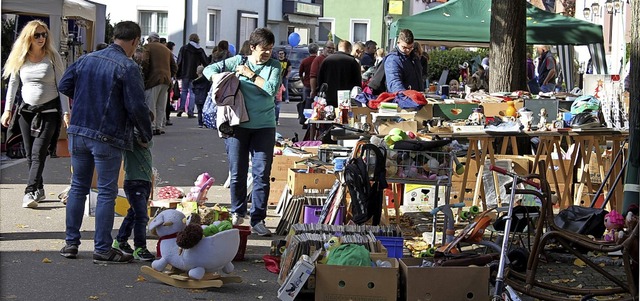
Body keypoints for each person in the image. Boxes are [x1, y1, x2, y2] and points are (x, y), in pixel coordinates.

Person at [57, 21, 153, 264]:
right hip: (107, 135)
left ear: (115, 36)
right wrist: (146, 133)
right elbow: (136, 106)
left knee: (79, 186)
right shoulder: (128, 66)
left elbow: (64, 84)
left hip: (78, 131)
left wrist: (86, 99)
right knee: (107, 191)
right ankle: (101, 248)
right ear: (134, 41)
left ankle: (71, 243)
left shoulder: (87, 59)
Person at [203, 27, 281, 237]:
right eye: (264, 49)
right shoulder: (236, 60)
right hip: (237, 126)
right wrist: (220, 80)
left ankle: (258, 219)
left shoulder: (274, 66)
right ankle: (238, 212)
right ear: (252, 47)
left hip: (264, 126)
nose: (267, 54)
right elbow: (207, 70)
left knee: (261, 173)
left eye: (270, 50)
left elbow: (272, 89)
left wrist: (250, 74)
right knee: (237, 173)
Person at [1, 20, 71, 208]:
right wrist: (7, 110)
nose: (41, 38)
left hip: (49, 112)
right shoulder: (20, 57)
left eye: (44, 34)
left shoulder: (52, 56)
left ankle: (29, 191)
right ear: (29, 37)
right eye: (37, 35)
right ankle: (39, 189)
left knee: (38, 152)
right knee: (30, 155)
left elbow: (62, 86)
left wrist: (66, 112)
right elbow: (13, 86)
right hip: (26, 112)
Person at [112, 113, 155, 261]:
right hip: (134, 183)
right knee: (142, 216)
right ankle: (140, 247)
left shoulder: (147, 141)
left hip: (145, 182)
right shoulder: (130, 140)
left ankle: (120, 241)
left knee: (133, 214)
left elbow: (145, 140)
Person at [142, 32, 177, 135]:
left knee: (151, 104)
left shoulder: (148, 47)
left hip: (153, 79)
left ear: (150, 39)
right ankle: (159, 126)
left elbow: (145, 61)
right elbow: (174, 66)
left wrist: (145, 74)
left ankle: (152, 126)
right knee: (161, 105)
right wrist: (170, 75)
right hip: (166, 80)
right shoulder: (166, 49)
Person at [317, 40, 362, 107]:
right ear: (349, 49)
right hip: (346, 98)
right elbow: (357, 82)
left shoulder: (327, 60)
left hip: (329, 96)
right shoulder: (352, 61)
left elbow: (320, 78)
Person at [176, 33, 208, 118]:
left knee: (184, 91)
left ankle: (181, 109)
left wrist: (177, 73)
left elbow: (179, 61)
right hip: (195, 74)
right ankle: (190, 111)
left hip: (185, 73)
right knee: (192, 92)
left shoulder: (184, 48)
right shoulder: (199, 50)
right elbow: (205, 61)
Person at [384, 29, 424, 93]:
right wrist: (404, 96)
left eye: (410, 47)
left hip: (416, 97)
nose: (408, 50)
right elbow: (394, 82)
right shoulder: (393, 59)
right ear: (398, 42)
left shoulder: (414, 57)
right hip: (402, 99)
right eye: (404, 47)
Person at [298, 43, 318, 124]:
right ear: (317, 51)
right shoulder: (319, 60)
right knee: (316, 104)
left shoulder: (305, 61)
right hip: (316, 85)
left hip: (307, 85)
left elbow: (300, 74)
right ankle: (315, 120)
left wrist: (303, 82)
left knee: (306, 104)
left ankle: (304, 121)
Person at [165, 41, 178, 126]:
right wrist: (172, 76)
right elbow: (174, 66)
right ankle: (166, 119)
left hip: (160, 78)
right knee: (165, 100)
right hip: (167, 78)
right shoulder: (170, 54)